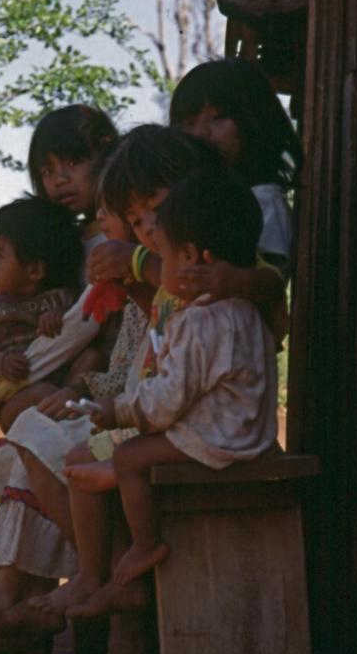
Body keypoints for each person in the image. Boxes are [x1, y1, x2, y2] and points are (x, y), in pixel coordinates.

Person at [69, 170, 280, 588]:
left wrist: (117, 411)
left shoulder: (201, 321)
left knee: (132, 456)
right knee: (130, 452)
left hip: (220, 440)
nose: (155, 261)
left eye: (161, 255)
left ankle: (145, 545)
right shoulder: (244, 308)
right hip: (248, 433)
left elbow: (166, 403)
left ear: (189, 257)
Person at [0, 105, 120, 541]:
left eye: (72, 164)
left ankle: (85, 570)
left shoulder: (120, 234)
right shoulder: (59, 241)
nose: (59, 179)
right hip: (51, 384)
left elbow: (82, 326)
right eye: (47, 170)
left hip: (104, 385)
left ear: (106, 156)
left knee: (32, 446)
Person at [86, 58, 300, 346]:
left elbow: (257, 282)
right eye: (188, 123)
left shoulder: (263, 200)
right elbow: (171, 303)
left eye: (219, 117)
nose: (201, 132)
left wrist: (138, 261)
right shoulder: (199, 203)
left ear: (255, 120)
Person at [0, 195, 85, 428]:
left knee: (91, 359)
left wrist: (58, 318)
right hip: (14, 402)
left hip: (62, 389)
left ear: (35, 270)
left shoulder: (63, 299)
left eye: (0, 255)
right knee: (44, 392)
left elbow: (82, 328)